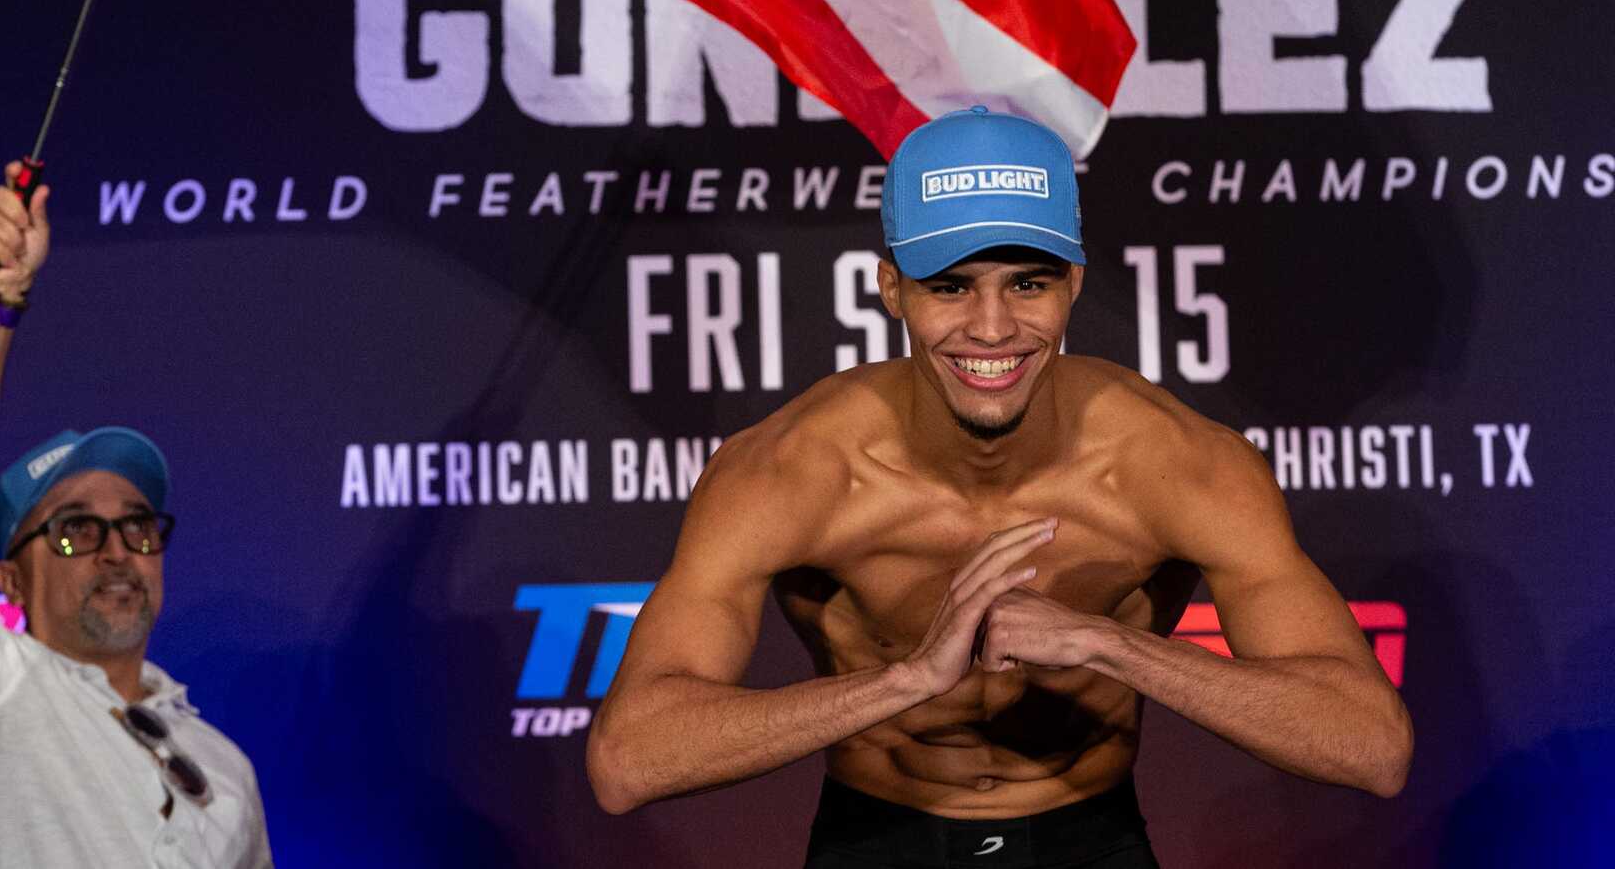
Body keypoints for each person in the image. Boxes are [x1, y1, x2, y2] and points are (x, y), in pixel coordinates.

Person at [586, 107, 1412, 867]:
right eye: (950, 284)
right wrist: (902, 681)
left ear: (1076, 283)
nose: (991, 328)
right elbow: (630, 761)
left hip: (1088, 842)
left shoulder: (1180, 466)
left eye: (1029, 281)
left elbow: (1371, 747)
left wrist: (1110, 644)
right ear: (890, 288)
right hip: (877, 842)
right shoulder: (792, 472)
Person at [0, 165, 272, 867]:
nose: (117, 551)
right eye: (75, 531)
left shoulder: (227, 773)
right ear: (9, 577)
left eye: (137, 525)